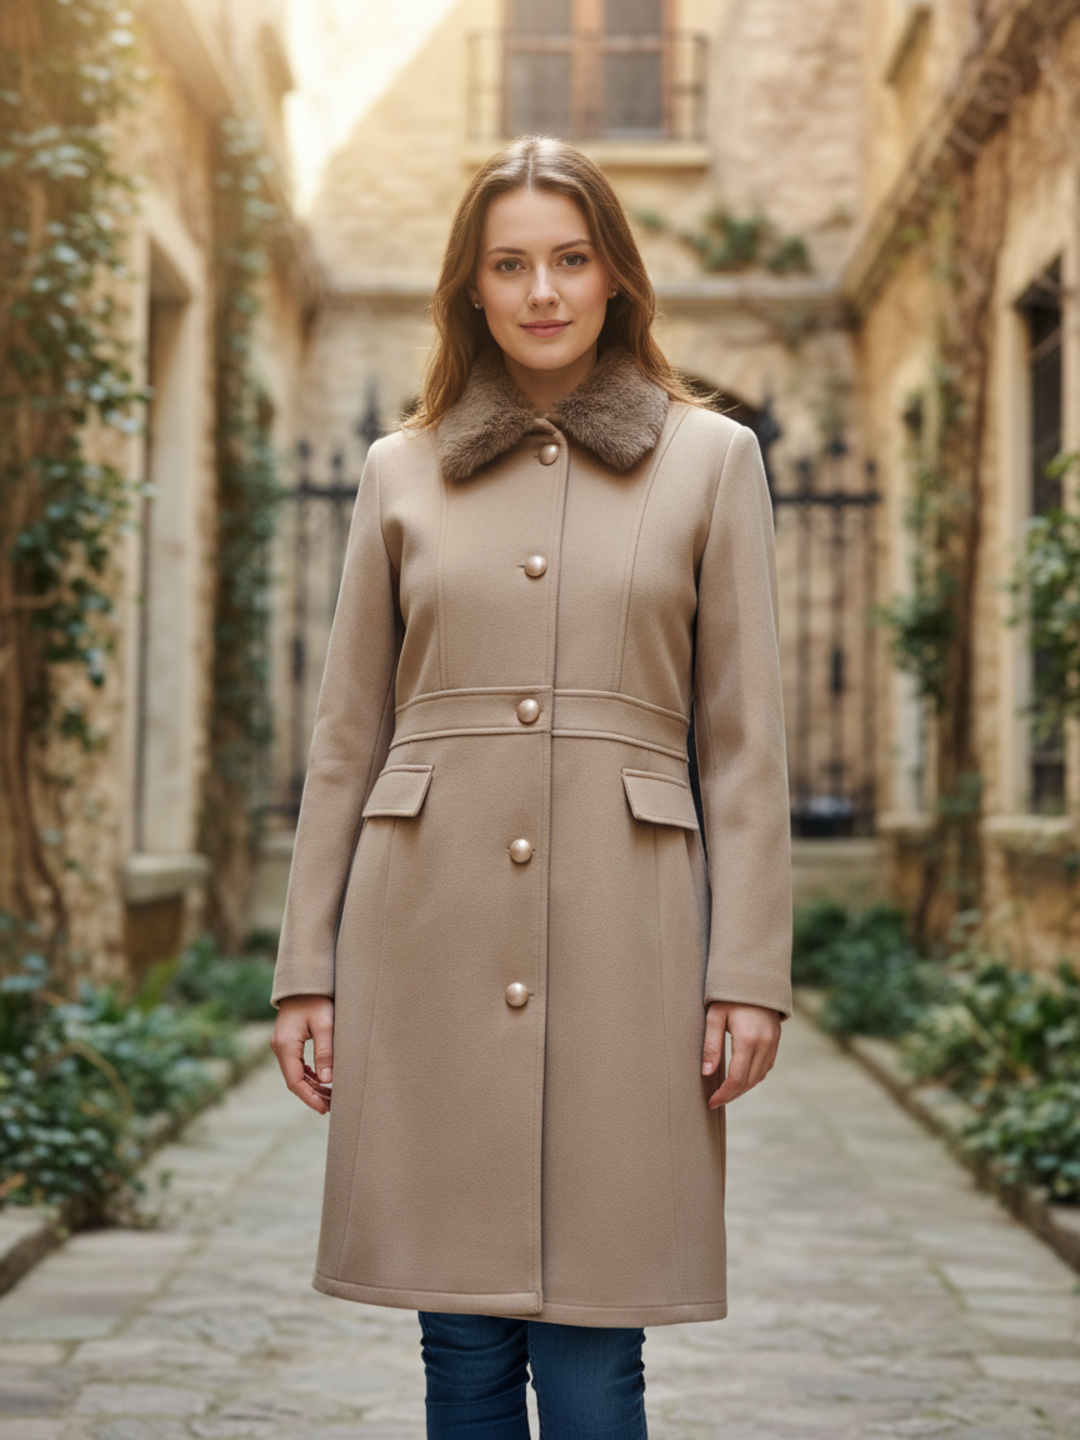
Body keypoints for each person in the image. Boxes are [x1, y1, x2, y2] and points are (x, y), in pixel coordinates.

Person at [270, 135, 792, 1439]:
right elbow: (347, 738)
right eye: (511, 265)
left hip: (630, 936)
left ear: (617, 274)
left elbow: (742, 746)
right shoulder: (401, 469)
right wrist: (306, 970)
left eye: (571, 259)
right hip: (426, 927)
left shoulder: (712, 459)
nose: (543, 290)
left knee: (595, 1353)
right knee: (457, 1342)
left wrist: (749, 974)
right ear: (472, 288)